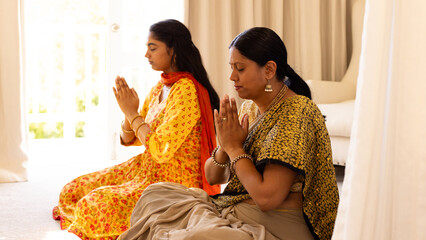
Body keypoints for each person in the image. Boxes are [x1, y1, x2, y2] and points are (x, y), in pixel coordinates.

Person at [118, 27, 339, 240]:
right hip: (236, 210)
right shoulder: (248, 109)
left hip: (277, 225)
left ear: (269, 70)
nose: (232, 76)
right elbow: (213, 176)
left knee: (192, 235)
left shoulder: (297, 112)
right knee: (156, 195)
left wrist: (234, 148)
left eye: (240, 68)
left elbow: (267, 198)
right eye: (231, 67)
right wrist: (224, 145)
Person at [52, 19, 221, 240]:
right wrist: (127, 114)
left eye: (152, 48)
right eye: (147, 48)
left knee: (93, 205)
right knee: (73, 189)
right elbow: (132, 139)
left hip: (170, 184)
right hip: (145, 170)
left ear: (173, 50)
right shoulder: (162, 86)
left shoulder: (186, 91)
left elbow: (161, 150)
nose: (146, 55)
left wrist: (133, 114)